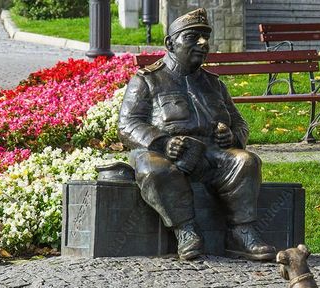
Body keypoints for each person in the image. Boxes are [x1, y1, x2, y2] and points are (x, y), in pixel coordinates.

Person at [118, 8, 276, 261]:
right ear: (170, 43)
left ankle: (241, 233)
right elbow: (128, 124)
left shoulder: (213, 83)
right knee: (154, 170)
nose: (203, 43)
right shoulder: (148, 80)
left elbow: (239, 122)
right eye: (193, 37)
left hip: (210, 154)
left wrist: (233, 137)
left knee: (246, 161)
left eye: (205, 37)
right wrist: (162, 141)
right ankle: (186, 230)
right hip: (162, 152)